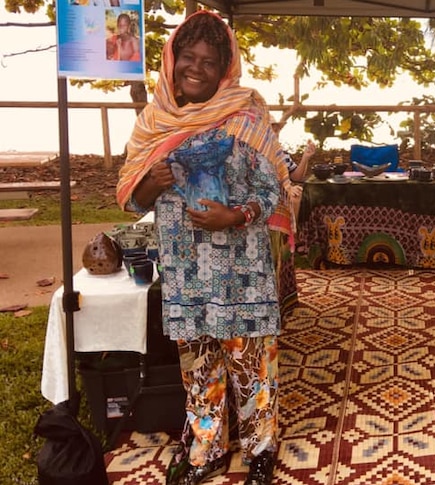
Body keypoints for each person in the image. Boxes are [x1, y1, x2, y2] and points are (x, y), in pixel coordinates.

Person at [116, 10, 293, 485]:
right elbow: (132, 201)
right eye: (187, 58)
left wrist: (234, 216)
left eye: (209, 61)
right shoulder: (154, 122)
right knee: (200, 367)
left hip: (242, 270)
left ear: (224, 69)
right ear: (171, 62)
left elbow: (273, 188)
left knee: (251, 361)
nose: (195, 68)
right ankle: (208, 446)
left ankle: (260, 446)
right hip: (186, 270)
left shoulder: (245, 117)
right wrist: (151, 183)